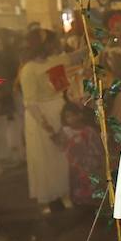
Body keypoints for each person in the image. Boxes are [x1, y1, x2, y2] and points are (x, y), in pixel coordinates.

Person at [16, 30, 71, 212]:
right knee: (44, 156)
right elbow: (30, 102)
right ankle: (46, 197)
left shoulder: (55, 60)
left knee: (62, 156)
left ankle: (65, 192)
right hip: (40, 114)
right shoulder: (29, 69)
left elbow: (73, 60)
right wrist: (47, 126)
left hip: (59, 109)